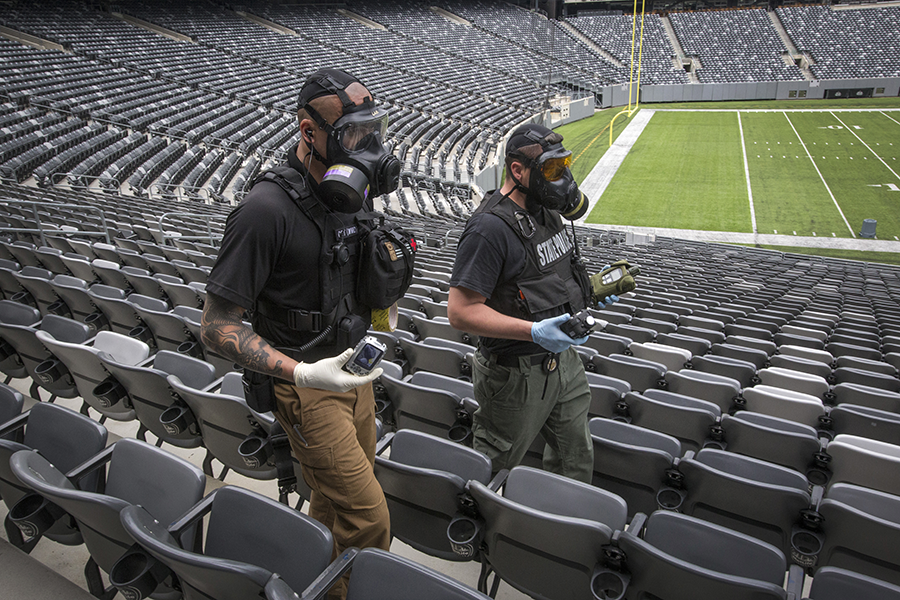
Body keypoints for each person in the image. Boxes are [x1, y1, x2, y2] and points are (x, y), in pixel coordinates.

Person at [202, 68, 402, 600]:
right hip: (307, 385)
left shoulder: (350, 195)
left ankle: (317, 586)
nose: (369, 149)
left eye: (372, 133)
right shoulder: (264, 211)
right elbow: (215, 326)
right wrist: (301, 372)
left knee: (331, 507)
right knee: (369, 518)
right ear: (308, 132)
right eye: (353, 137)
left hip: (355, 374)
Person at [447, 123, 615, 483]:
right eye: (552, 169)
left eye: (564, 166)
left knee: (575, 458)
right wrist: (533, 331)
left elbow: (549, 277)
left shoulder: (548, 212)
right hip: (514, 375)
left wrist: (591, 290)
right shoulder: (489, 229)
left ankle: (561, 530)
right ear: (518, 170)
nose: (563, 178)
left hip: (564, 364)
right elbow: (460, 312)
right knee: (492, 469)